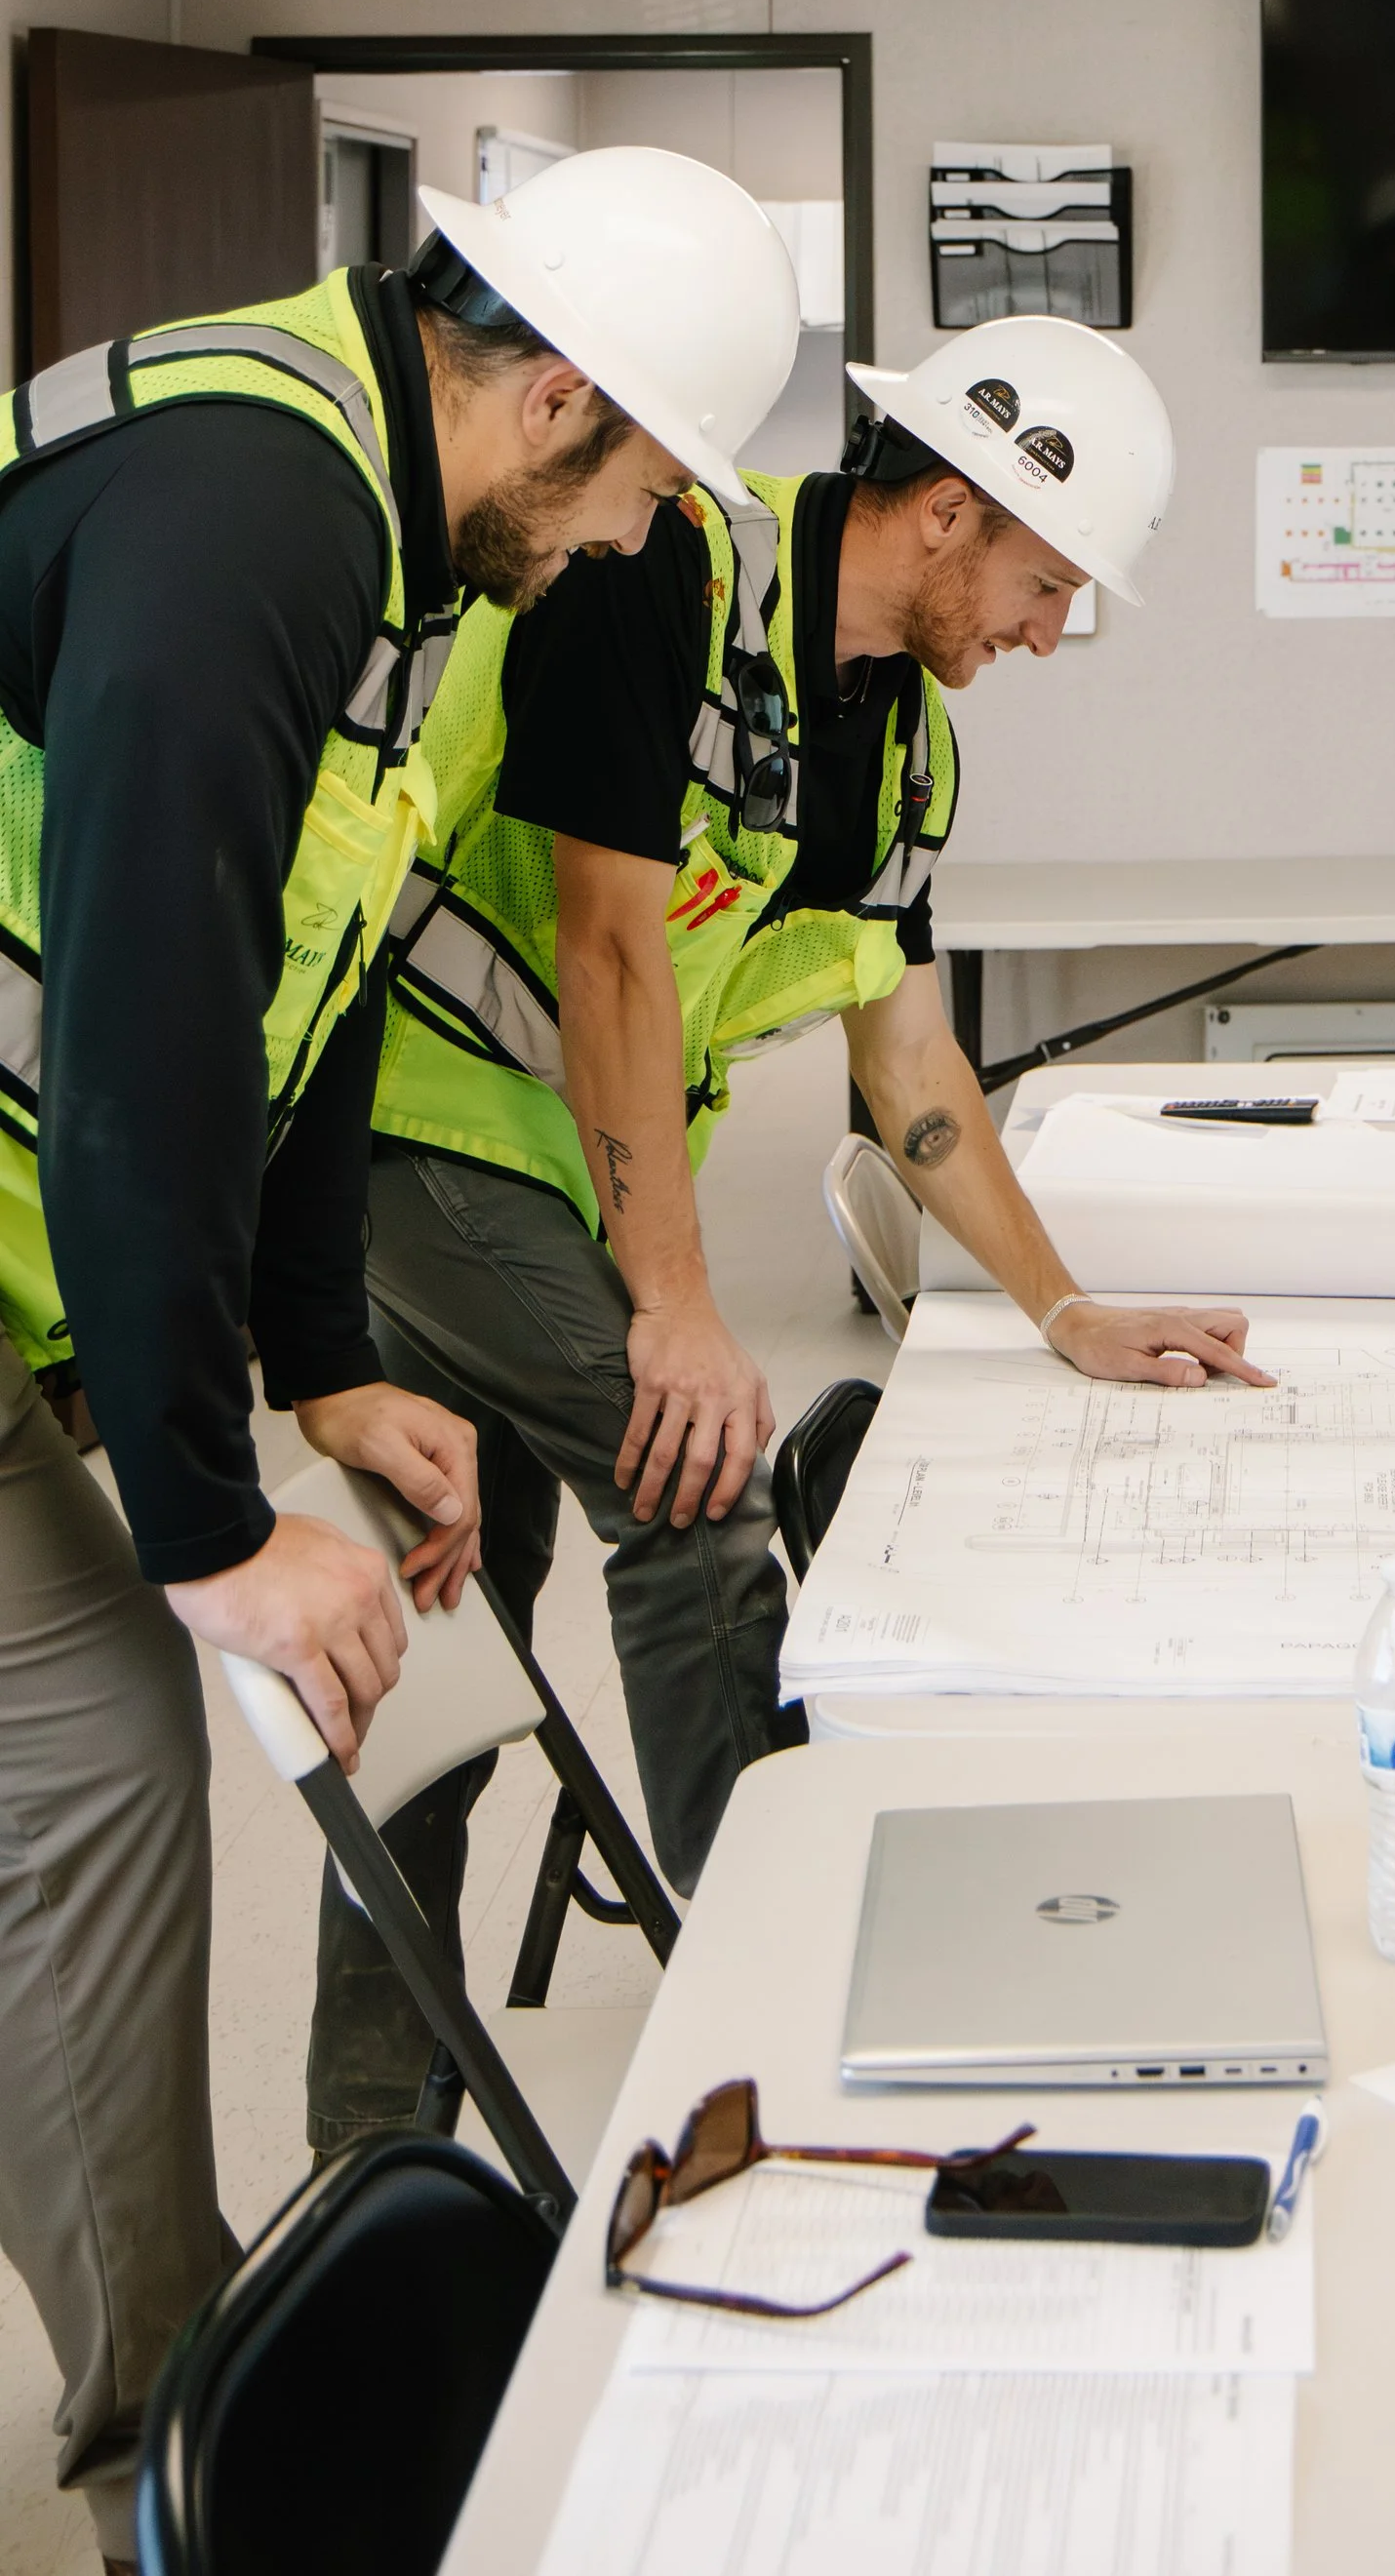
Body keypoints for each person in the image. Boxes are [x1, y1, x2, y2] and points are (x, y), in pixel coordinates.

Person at [0, 140, 802, 2571]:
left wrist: (322, 1357)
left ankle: (168, 2394)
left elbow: (307, 980)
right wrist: (211, 1519)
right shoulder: (255, 513)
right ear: (553, 395)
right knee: (109, 1752)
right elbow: (145, 1027)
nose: (628, 543)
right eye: (642, 483)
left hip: (41, 1265)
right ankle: (175, 2435)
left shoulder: (371, 530)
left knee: (99, 1768)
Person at [306, 315, 1262, 2151]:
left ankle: (369, 2132)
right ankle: (788, 2010)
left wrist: (1061, 1307)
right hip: (416, 1132)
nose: (1051, 632)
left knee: (450, 1610)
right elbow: (604, 945)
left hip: (560, 1174)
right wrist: (675, 1298)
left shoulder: (902, 742)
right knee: (694, 1471)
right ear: (948, 511)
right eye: (1049, 582)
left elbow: (907, 1052)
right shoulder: (659, 566)